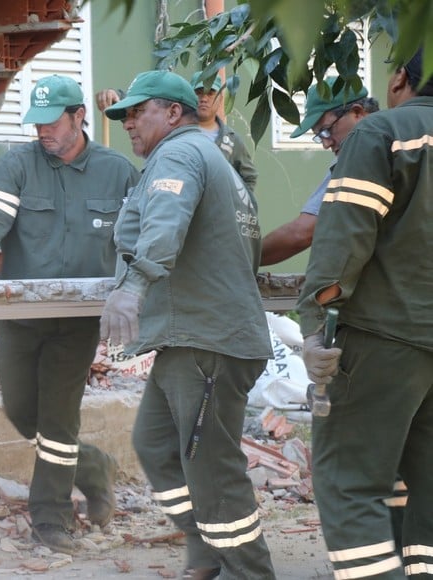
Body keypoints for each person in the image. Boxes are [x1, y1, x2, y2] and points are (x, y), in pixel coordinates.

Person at [0, 74, 141, 555]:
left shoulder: (118, 174)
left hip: (76, 325)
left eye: (52, 123)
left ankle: (51, 520)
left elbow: (142, 242)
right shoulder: (17, 166)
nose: (42, 133)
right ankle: (94, 467)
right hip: (23, 318)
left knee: (56, 417)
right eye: (35, 125)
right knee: (20, 410)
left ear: (79, 117)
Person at [100, 70, 275, 579]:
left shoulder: (177, 156)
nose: (129, 122)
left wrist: (133, 288)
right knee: (155, 444)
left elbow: (163, 225)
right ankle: (205, 552)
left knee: (213, 472)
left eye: (138, 112)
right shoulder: (211, 159)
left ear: (173, 113)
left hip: (205, 343)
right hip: (196, 338)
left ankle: (250, 572)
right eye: (125, 115)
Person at [297, 47, 432, 579]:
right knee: (424, 485)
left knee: (347, 482)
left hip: (384, 339)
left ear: (399, 77)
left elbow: (341, 246)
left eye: (327, 128)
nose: (327, 139)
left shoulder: (383, 135)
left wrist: (315, 328)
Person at [260, 78, 379, 266]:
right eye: (319, 136)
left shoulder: (357, 158)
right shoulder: (399, 140)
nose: (326, 143)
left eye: (326, 130)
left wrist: (243, 258)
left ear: (357, 112)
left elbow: (301, 233)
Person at [96, 71, 257, 192]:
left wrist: (237, 208)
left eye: (210, 93)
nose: (204, 99)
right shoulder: (172, 130)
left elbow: (249, 177)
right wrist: (117, 96)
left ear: (220, 99)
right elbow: (145, 112)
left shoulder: (231, 140)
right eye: (199, 93)